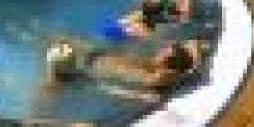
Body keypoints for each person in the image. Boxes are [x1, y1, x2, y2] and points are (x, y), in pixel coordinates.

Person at [49, 39, 207, 96]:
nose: (161, 50)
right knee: (61, 40)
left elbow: (112, 87)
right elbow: (193, 44)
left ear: (168, 64)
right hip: (96, 55)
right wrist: (194, 55)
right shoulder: (156, 66)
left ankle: (55, 77)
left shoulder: (153, 77)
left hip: (85, 65)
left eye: (164, 52)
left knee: (56, 52)